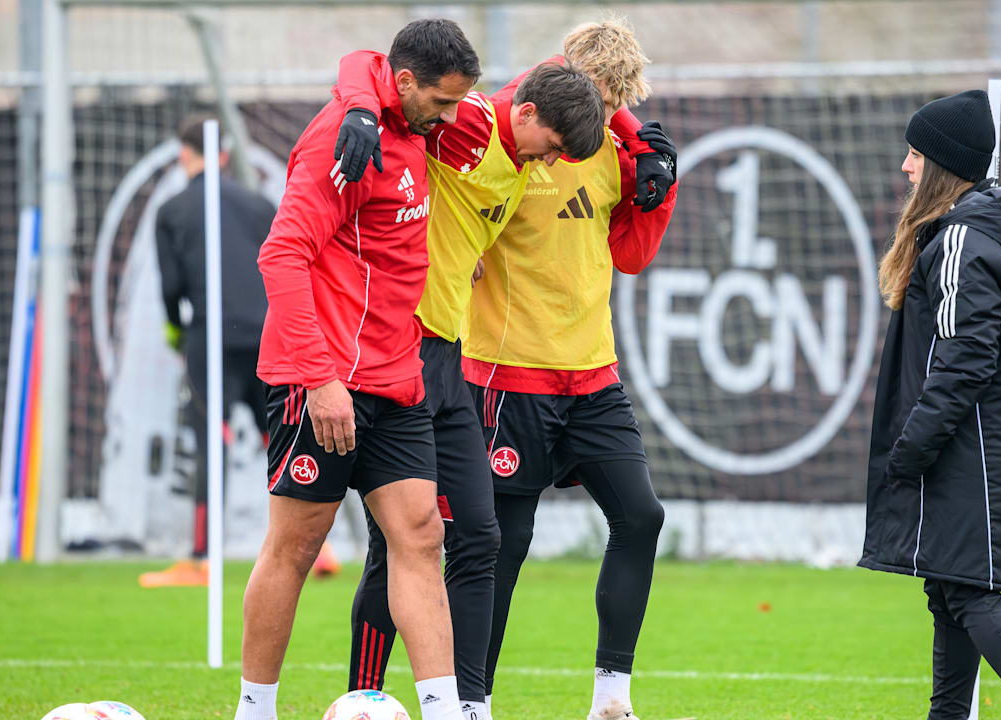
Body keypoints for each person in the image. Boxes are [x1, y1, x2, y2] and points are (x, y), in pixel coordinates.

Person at [332, 53, 608, 720]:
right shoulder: (473, 126)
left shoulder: (522, 145)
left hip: (448, 358)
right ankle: (364, 697)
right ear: (527, 114)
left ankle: (467, 706)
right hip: (400, 350)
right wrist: (360, 109)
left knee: (480, 537)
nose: (550, 162)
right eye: (552, 146)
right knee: (395, 541)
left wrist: (631, 130)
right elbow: (374, 64)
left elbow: (568, 75)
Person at [234, 19, 481, 720]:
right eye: (442, 101)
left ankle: (444, 711)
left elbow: (534, 88)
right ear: (404, 82)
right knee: (296, 546)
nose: (451, 117)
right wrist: (319, 380)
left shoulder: (405, 120)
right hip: (324, 381)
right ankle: (254, 710)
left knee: (421, 535)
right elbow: (281, 256)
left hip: (396, 377)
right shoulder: (341, 142)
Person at [464, 20, 676, 720]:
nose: (604, 113)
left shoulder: (616, 145)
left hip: (592, 376)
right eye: (598, 97)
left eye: (616, 104)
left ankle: (612, 698)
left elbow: (631, 256)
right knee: (504, 543)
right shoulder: (509, 130)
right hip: (508, 375)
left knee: (641, 516)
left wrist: (660, 183)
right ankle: (471, 703)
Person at [858, 90, 1001, 720]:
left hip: (973, 449)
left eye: (915, 155)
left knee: (973, 597)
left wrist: (910, 449)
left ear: (943, 166)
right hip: (994, 443)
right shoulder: (994, 234)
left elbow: (964, 363)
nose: (905, 167)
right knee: (952, 590)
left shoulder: (961, 242)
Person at [145, 114, 275, 588]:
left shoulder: (172, 211)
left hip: (210, 339)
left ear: (184, 154)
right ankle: (316, 548)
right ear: (222, 155)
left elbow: (172, 287)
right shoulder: (259, 205)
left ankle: (203, 558)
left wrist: (176, 331)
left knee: (212, 440)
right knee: (281, 440)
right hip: (266, 337)